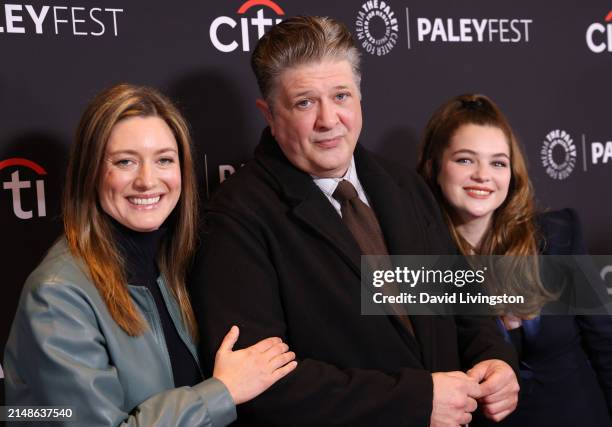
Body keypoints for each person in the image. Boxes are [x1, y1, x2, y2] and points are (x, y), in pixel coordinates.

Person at [190, 16, 519, 427]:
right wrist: (414, 401)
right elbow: (261, 388)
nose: (329, 120)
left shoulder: (403, 185)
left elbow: (457, 299)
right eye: (305, 102)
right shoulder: (236, 218)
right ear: (270, 115)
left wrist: (495, 358)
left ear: (360, 96)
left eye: (341, 96)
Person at [4, 84, 297, 426]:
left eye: (164, 160)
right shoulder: (55, 294)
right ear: (91, 172)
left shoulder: (174, 264)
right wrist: (221, 392)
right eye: (125, 161)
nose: (147, 180)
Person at [417, 93, 612, 426]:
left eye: (498, 162)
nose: (483, 175)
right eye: (465, 160)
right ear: (435, 167)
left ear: (512, 172)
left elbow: (605, 345)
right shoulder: (419, 264)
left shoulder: (557, 236)